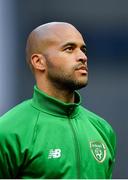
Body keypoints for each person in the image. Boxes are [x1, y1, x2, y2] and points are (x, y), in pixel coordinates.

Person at [0, 22, 116, 179]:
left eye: (83, 49)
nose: (83, 57)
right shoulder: (8, 131)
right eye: (69, 49)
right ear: (39, 62)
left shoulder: (102, 129)